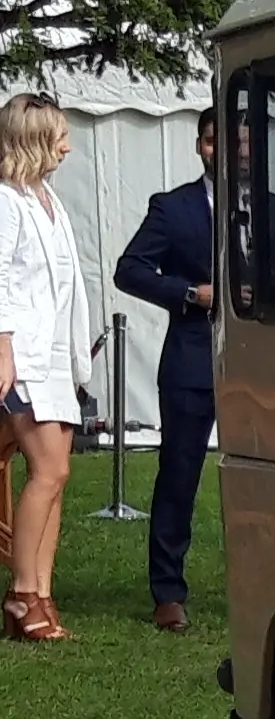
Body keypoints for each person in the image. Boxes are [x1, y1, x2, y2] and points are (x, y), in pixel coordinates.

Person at [115, 107, 219, 632]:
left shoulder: (271, 206)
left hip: (261, 363)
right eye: (211, 141)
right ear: (199, 146)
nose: (226, 151)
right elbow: (128, 270)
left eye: (240, 142)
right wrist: (188, 293)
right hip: (191, 359)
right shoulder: (173, 208)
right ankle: (168, 592)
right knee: (179, 475)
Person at [0, 93, 93, 643]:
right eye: (59, 133)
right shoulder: (6, 201)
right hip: (25, 355)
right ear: (32, 138)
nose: (68, 144)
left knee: (60, 475)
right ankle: (20, 593)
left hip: (55, 355)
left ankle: (41, 589)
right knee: (48, 469)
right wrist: (4, 348)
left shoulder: (46, 199)